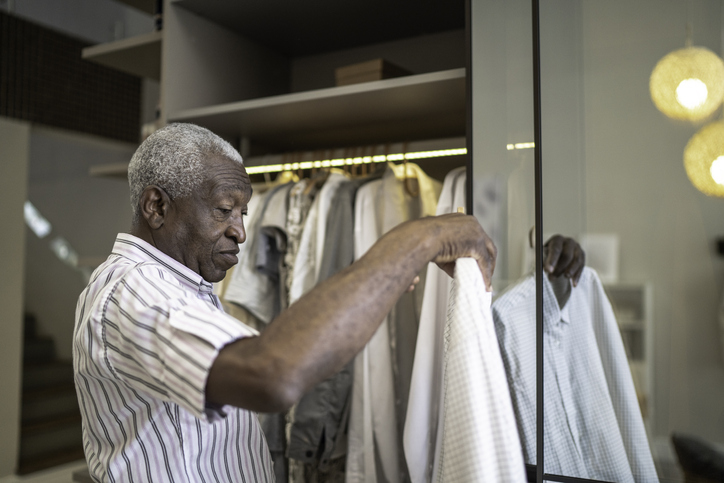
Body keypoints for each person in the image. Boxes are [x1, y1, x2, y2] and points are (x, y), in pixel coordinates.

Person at [73, 123, 583, 482]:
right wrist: (417, 239)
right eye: (225, 210)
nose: (242, 231)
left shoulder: (184, 285)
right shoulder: (132, 292)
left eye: (245, 212)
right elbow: (272, 372)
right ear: (157, 206)